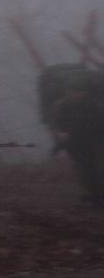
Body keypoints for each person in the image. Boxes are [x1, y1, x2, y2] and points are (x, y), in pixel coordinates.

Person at [37, 62, 104, 207]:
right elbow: (56, 125)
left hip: (88, 138)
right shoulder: (66, 105)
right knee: (87, 167)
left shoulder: (89, 103)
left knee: (90, 167)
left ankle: (94, 195)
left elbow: (54, 125)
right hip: (81, 140)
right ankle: (94, 195)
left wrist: (60, 139)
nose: (77, 95)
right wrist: (60, 139)